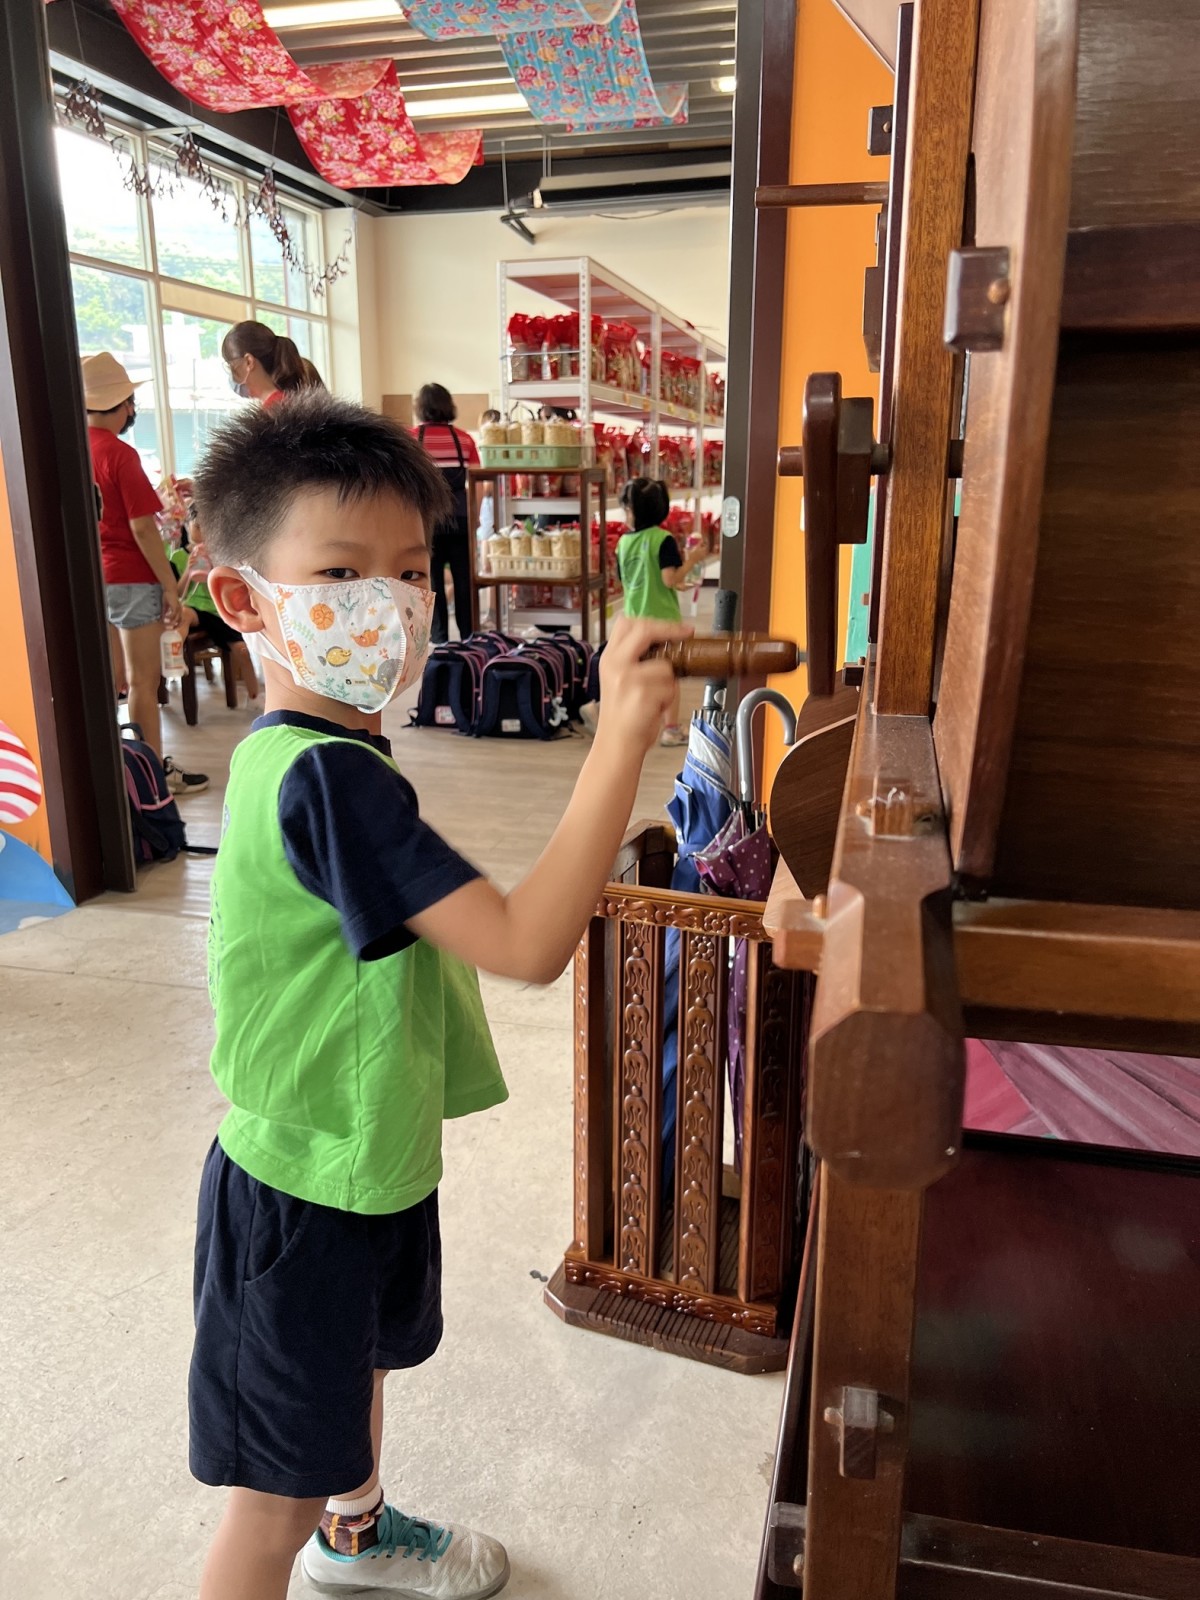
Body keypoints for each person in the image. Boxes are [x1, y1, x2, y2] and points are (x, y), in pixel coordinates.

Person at [188, 391, 688, 1600]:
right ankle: (326, 1530)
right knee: (269, 1504)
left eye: (410, 571)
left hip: (364, 1156)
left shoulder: (309, 752)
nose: (387, 602)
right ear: (244, 599)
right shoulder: (333, 783)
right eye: (339, 573)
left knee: (354, 1374)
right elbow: (524, 941)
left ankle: (357, 1537)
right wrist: (622, 739)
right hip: (303, 1192)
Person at [82, 351, 208, 794]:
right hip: (132, 578)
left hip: (94, 578)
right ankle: (152, 775)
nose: (132, 410)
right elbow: (141, 527)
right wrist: (169, 587)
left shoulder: (73, 450)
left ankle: (118, 773)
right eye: (130, 403)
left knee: (111, 683)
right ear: (121, 405)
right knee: (142, 682)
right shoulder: (120, 454)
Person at [616, 476, 703, 747]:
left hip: (633, 620)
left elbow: (629, 579)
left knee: (639, 675)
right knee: (668, 675)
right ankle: (671, 729)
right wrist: (693, 560)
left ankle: (634, 724)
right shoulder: (663, 539)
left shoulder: (623, 542)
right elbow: (668, 579)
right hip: (663, 621)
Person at [411, 381, 480, 644]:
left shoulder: (411, 439)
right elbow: (477, 484)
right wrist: (475, 517)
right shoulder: (464, 439)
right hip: (460, 517)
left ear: (420, 407)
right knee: (464, 581)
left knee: (432, 582)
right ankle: (469, 637)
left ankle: (439, 640)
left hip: (427, 521)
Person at [170, 520, 260, 703]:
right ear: (187, 526)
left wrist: (215, 565)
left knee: (242, 650)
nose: (203, 531)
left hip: (219, 611)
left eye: (206, 526)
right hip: (194, 606)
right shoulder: (178, 556)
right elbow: (178, 593)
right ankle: (174, 657)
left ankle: (255, 694)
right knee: (184, 615)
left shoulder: (220, 554)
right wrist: (188, 570)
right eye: (197, 526)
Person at [221, 321, 307, 408]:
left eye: (231, 366)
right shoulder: (289, 401)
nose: (231, 375)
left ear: (249, 362)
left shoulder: (273, 410)